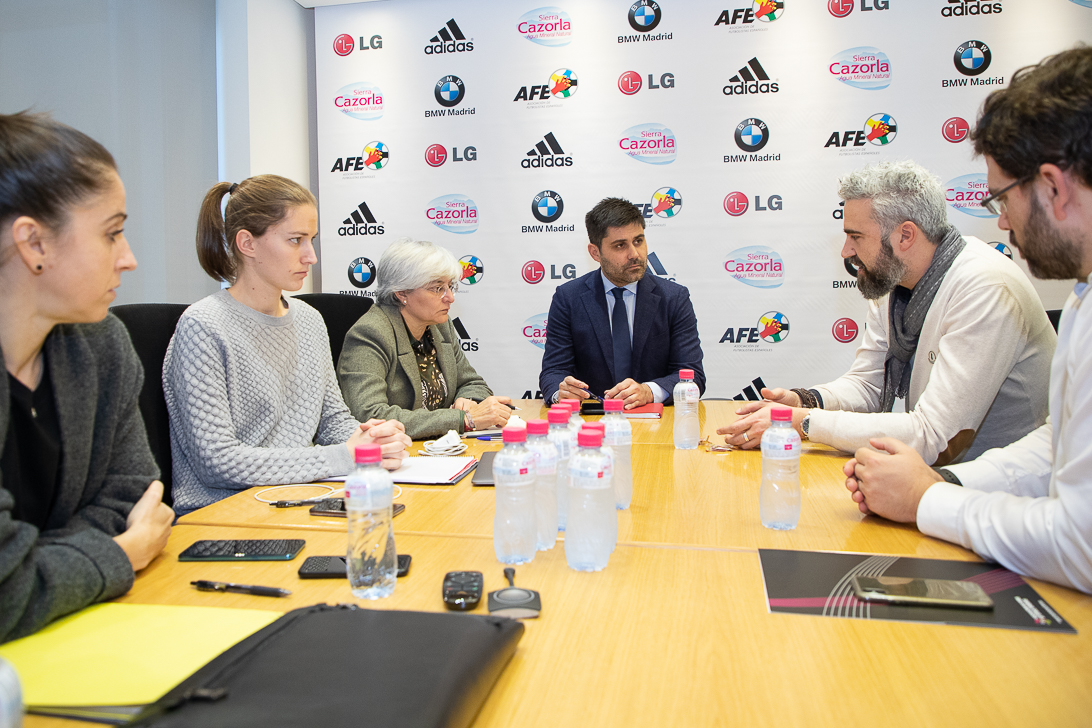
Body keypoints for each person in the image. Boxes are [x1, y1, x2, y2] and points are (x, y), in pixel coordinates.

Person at [844, 47, 1092, 594]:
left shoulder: (987, 283)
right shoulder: (1082, 296)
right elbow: (1059, 443)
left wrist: (930, 499)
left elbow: (1081, 544)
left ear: (1053, 186)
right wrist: (940, 482)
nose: (1000, 219)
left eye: (1003, 197)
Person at [720, 160, 1055, 466]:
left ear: (905, 235)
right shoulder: (892, 280)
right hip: (940, 481)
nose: (846, 251)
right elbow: (870, 386)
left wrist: (804, 423)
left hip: (999, 494)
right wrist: (802, 401)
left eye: (856, 236)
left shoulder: (984, 288)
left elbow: (932, 435)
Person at [0, 111, 174, 643]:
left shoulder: (101, 346)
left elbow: (134, 497)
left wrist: (35, 567)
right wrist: (118, 554)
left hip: (69, 636)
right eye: (112, 234)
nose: (129, 259)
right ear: (34, 244)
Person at [164, 175, 410, 515]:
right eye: (295, 240)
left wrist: (372, 439)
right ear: (247, 243)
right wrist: (343, 456)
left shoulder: (309, 320)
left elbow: (332, 420)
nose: (310, 256)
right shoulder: (203, 326)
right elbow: (217, 462)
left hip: (303, 499)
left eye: (311, 240)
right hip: (224, 516)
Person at [538, 197, 705, 408]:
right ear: (595, 252)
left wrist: (648, 391)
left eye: (638, 241)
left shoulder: (674, 298)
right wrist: (559, 392)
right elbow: (553, 372)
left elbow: (693, 376)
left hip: (656, 422)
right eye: (620, 245)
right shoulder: (568, 298)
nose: (634, 254)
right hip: (592, 421)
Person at [338, 238, 512, 439]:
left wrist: (468, 398)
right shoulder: (370, 334)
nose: (450, 298)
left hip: (440, 449)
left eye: (450, 286)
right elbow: (369, 415)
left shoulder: (439, 325)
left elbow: (472, 382)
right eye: (437, 288)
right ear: (402, 292)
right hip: (398, 456)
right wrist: (462, 419)